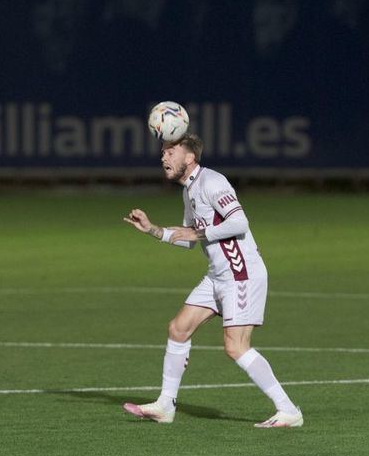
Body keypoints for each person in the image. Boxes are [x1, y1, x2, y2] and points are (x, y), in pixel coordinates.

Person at [121, 133, 303, 427]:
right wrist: (152, 229)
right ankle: (165, 406)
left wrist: (199, 233)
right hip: (218, 276)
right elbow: (187, 239)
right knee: (178, 329)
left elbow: (239, 222)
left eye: (170, 151)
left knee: (235, 347)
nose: (163, 157)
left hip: (240, 273)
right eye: (163, 152)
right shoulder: (189, 191)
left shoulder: (212, 181)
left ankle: (288, 410)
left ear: (190, 157)